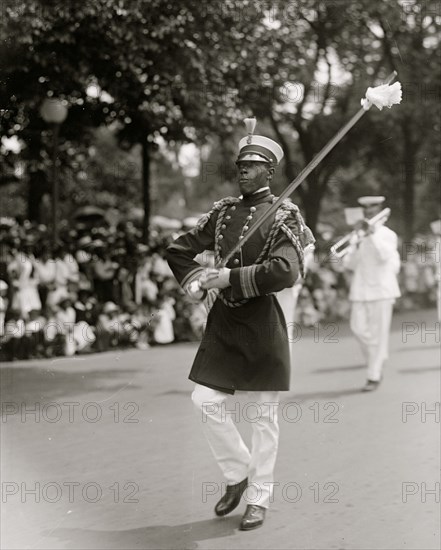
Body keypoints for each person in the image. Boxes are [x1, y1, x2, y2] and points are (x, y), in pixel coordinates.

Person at [166, 119, 314, 531]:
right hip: (226, 321)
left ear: (270, 171)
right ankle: (237, 474)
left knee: (264, 416)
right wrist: (195, 281)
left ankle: (259, 497)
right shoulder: (223, 212)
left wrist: (228, 277)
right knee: (204, 401)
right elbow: (178, 250)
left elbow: (285, 271)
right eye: (240, 165)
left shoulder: (286, 215)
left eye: (252, 166)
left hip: (266, 319)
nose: (243, 171)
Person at [342, 196, 401, 391]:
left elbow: (385, 257)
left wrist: (372, 235)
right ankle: (379, 356)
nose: (368, 210)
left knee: (378, 334)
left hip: (383, 290)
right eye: (365, 207)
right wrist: (357, 245)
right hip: (361, 289)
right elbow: (348, 265)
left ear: (380, 208)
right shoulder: (356, 235)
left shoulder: (387, 234)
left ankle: (373, 375)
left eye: (372, 207)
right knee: (358, 329)